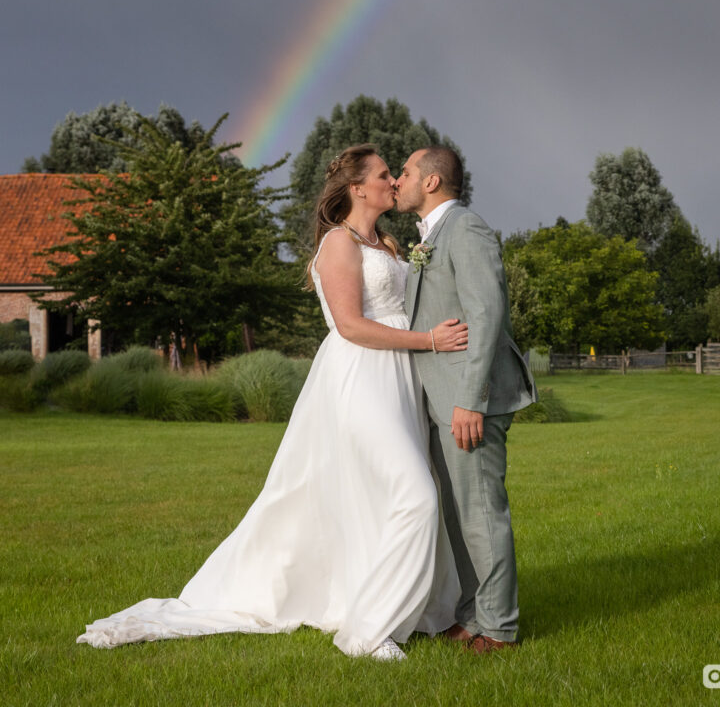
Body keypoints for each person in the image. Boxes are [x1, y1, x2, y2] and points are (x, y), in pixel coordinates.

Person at [77, 144, 465, 662]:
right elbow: (349, 326)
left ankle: (394, 605)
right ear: (357, 188)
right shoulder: (337, 244)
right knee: (415, 494)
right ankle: (367, 633)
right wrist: (430, 342)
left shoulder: (391, 244)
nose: (394, 181)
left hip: (401, 382)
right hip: (360, 380)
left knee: (381, 498)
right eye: (383, 174)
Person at [394, 146, 537, 653]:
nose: (398, 180)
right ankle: (473, 614)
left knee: (480, 512)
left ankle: (499, 628)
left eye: (406, 172)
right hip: (441, 400)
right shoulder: (429, 238)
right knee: (458, 514)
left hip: (468, 401)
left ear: (432, 182)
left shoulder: (467, 229)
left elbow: (487, 314)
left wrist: (471, 399)